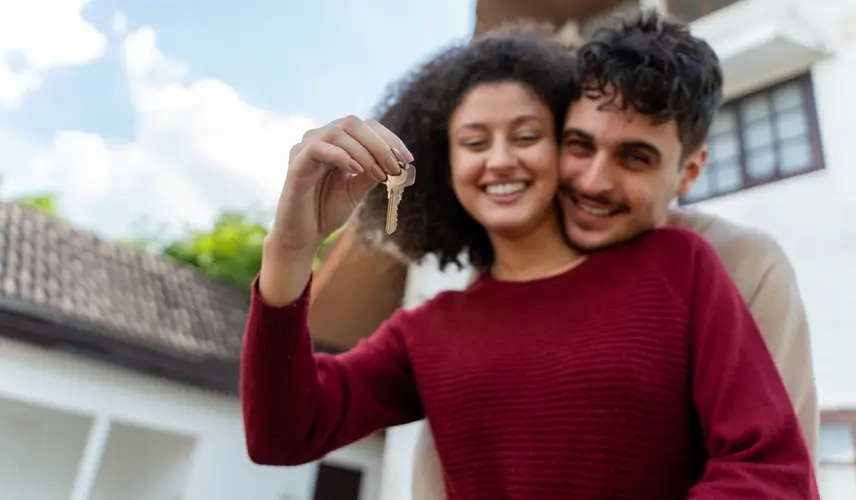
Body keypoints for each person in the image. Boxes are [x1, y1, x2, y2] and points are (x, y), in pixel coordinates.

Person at [241, 30, 817, 499]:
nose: (501, 160)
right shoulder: (428, 329)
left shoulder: (682, 266)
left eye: (527, 134)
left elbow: (771, 473)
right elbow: (282, 434)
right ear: (442, 166)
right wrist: (290, 249)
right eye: (473, 141)